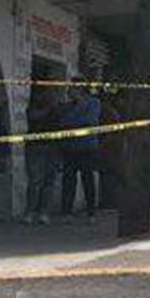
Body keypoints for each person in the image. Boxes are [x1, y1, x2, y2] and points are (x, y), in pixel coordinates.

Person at [59, 78, 101, 219]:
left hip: (87, 147)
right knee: (68, 179)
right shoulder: (67, 106)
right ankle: (66, 211)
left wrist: (77, 112)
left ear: (79, 89)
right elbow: (63, 122)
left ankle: (91, 212)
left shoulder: (93, 103)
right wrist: (75, 119)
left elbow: (90, 121)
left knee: (87, 179)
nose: (68, 91)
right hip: (70, 147)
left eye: (71, 88)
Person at [23, 73, 61, 224]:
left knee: (49, 181)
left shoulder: (56, 107)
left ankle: (43, 212)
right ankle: (30, 211)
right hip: (35, 146)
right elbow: (33, 116)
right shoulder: (34, 104)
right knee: (35, 181)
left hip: (52, 146)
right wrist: (49, 107)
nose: (51, 93)